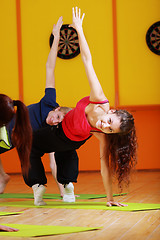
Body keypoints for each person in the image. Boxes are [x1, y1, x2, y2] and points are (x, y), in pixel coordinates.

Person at [23, 7, 137, 207]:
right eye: (109, 122)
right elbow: (87, 60)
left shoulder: (102, 134)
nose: (104, 126)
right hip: (67, 141)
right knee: (65, 152)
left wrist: (110, 199)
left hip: (61, 136)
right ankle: (67, 184)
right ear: (110, 111)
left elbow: (105, 166)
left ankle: (39, 184)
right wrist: (79, 29)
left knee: (30, 144)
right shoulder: (99, 99)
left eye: (109, 129)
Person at [0, 17, 76, 201]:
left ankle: (3, 178)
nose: (54, 121)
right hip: (4, 122)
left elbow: (53, 160)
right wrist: (56, 37)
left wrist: (63, 190)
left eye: (58, 122)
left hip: (8, 138)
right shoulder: (49, 101)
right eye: (57, 116)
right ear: (57, 108)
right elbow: (50, 68)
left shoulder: (51, 131)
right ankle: (2, 177)